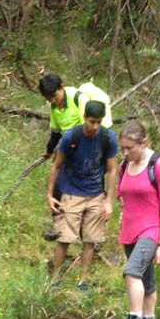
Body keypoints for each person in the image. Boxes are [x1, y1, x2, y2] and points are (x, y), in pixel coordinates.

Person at [46, 102, 118, 292]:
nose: (95, 126)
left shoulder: (107, 137)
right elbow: (56, 165)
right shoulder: (72, 136)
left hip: (95, 194)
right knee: (64, 238)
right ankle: (55, 280)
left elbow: (111, 169)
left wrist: (109, 201)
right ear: (85, 117)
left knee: (90, 240)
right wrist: (50, 194)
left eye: (99, 122)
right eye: (92, 121)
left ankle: (82, 281)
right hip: (71, 192)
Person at [115, 121, 160, 319]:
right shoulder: (124, 166)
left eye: (130, 148)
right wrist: (126, 211)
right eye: (123, 148)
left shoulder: (159, 166)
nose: (125, 152)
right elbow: (123, 193)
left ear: (144, 143)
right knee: (146, 280)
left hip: (152, 231)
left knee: (131, 273)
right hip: (129, 230)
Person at [39, 73, 113, 241]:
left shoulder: (79, 99)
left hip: (88, 146)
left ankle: (94, 231)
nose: (52, 100)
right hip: (70, 146)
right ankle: (58, 225)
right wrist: (49, 150)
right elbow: (56, 132)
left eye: (54, 95)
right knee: (58, 183)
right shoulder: (54, 107)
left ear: (61, 88)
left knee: (92, 185)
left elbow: (89, 128)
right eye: (48, 97)